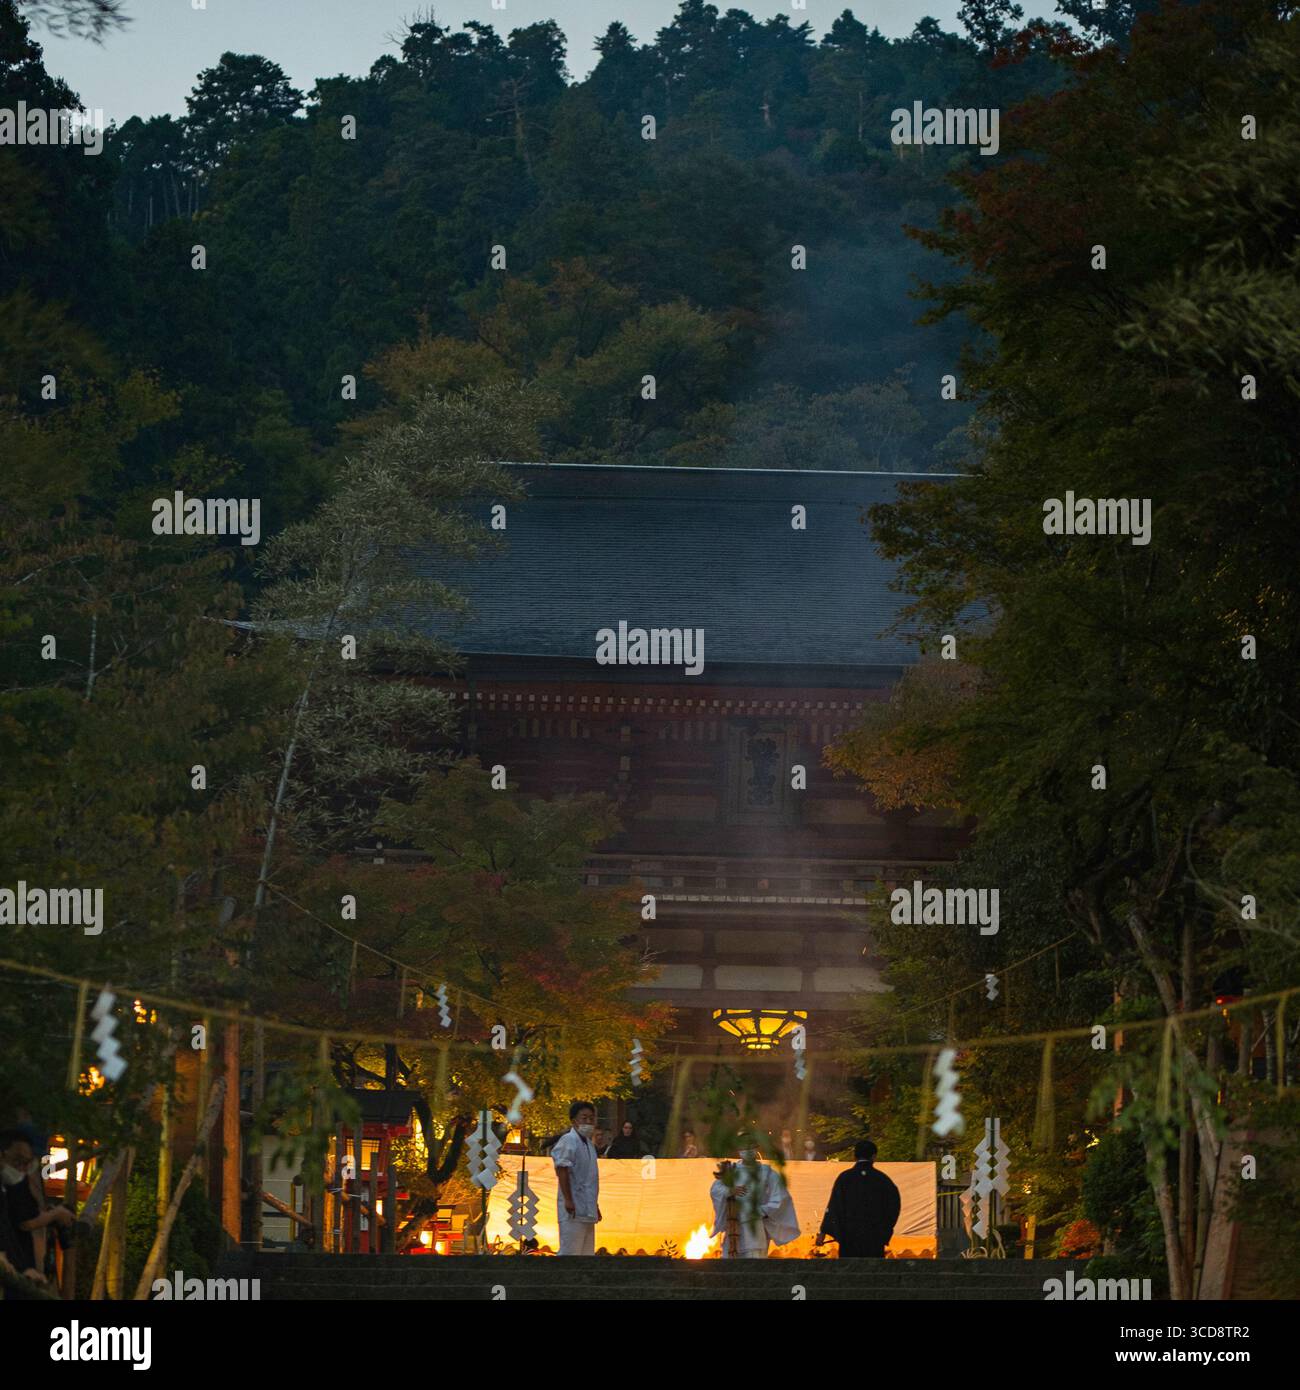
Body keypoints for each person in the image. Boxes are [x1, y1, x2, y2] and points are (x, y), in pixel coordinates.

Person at [0, 1128, 71, 1280]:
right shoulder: (15, 1184)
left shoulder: (17, 1181)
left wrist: (24, 1267)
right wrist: (55, 1214)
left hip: (20, 1265)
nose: (23, 1167)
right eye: (18, 1160)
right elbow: (25, 1222)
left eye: (28, 1161)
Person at [709, 1145, 799, 1259]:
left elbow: (781, 1198)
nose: (747, 1150)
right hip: (733, 1225)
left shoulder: (767, 1173)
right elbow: (715, 1190)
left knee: (754, 1258)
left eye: (751, 1146)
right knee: (731, 1259)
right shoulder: (730, 1170)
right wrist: (729, 1191)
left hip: (755, 1227)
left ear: (756, 1149)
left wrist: (761, 1210)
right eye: (744, 1145)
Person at [816, 1139, 901, 1258]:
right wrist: (884, 1231)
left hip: (849, 1236)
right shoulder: (882, 1180)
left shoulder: (844, 1178)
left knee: (850, 1270)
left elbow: (834, 1206)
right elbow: (893, 1208)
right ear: (874, 1156)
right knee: (873, 1272)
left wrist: (824, 1232)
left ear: (854, 1156)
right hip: (874, 1236)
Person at [550, 1101, 601, 1256]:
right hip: (572, 1207)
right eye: (584, 1118)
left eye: (591, 1118)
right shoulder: (569, 1140)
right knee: (570, 1252)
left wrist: (595, 1205)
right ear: (574, 1121)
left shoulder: (589, 1145)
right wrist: (568, 1199)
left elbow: (590, 1178)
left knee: (586, 1254)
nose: (588, 1122)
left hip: (588, 1208)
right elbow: (562, 1169)